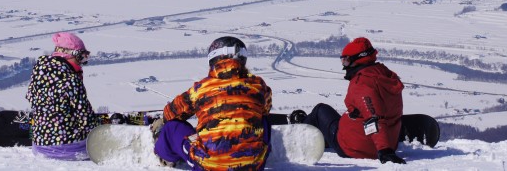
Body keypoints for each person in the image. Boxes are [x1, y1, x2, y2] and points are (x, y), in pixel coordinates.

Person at [151, 36, 272, 170]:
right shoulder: (258, 85)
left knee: (171, 128)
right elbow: (266, 108)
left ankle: (167, 157)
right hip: (253, 166)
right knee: (264, 119)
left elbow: (171, 114)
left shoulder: (201, 89)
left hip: (208, 167)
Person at [292, 36, 406, 164]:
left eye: (346, 60)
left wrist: (385, 151)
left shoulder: (362, 83)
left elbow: (373, 117)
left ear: (358, 59)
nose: (344, 65)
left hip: (354, 147)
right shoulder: (385, 74)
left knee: (320, 110)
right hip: (387, 141)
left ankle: (298, 134)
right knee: (347, 115)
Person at [25, 31, 99, 160]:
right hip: (68, 149)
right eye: (81, 57)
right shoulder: (71, 79)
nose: (82, 62)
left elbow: (30, 97)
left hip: (39, 148)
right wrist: (99, 128)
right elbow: (84, 117)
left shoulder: (38, 73)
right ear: (69, 54)